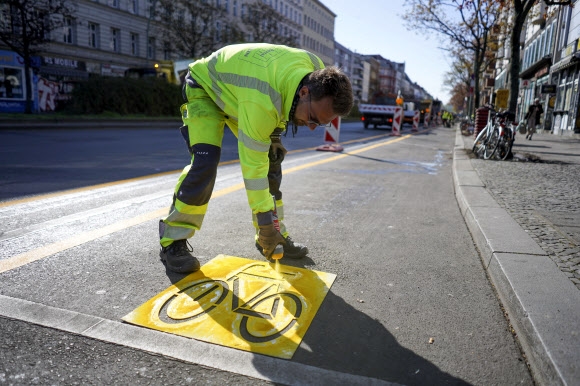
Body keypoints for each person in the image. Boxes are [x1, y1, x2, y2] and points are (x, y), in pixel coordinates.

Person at [158, 43, 354, 273]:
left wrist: (275, 134)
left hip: (243, 92)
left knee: (272, 160)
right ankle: (173, 241)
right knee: (205, 163)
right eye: (312, 118)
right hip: (207, 89)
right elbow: (253, 169)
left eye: (320, 124)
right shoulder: (262, 99)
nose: (312, 128)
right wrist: (264, 224)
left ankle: (275, 233)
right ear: (304, 92)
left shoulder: (314, 69)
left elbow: (284, 97)